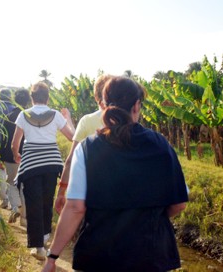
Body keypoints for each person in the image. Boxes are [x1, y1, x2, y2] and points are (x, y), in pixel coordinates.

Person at [42, 76, 189, 272]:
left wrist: (52, 257)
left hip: (100, 257)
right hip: (151, 256)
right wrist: (150, 217)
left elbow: (76, 207)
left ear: (103, 105)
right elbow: (179, 203)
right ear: (136, 106)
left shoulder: (87, 149)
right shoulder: (161, 145)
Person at [11, 81, 75, 260]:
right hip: (52, 163)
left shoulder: (24, 115)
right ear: (47, 98)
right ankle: (45, 238)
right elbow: (71, 137)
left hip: (31, 163)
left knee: (33, 203)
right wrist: (68, 119)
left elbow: (15, 142)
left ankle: (38, 247)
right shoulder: (55, 115)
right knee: (47, 200)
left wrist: (17, 154)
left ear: (32, 98)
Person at [54, 74, 114, 214]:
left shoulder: (87, 121)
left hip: (89, 190)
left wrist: (62, 191)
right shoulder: (127, 121)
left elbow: (71, 160)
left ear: (96, 97)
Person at [0, 88, 31, 224]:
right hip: (27, 156)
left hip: (10, 156)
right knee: (24, 185)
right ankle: (24, 218)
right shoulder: (29, 116)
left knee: (11, 182)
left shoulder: (9, 115)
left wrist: (1, 157)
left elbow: (3, 137)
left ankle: (15, 207)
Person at [0, 88, 16, 209]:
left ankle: (5, 200)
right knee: (13, 174)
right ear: (10, 97)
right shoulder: (15, 109)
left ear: (0, 97)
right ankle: (13, 203)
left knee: (0, 171)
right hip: (13, 145)